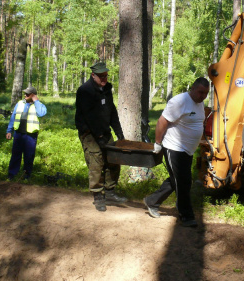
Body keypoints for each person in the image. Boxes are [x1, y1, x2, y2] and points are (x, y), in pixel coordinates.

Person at [143, 77, 210, 227]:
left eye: (206, 93)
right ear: (192, 88)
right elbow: (162, 121)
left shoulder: (200, 103)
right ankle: (186, 215)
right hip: (174, 148)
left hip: (188, 150)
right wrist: (158, 143)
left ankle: (152, 201)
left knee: (177, 179)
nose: (203, 96)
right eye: (200, 92)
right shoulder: (179, 101)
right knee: (184, 182)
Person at [75, 62, 127, 212]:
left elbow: (112, 112)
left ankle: (110, 192)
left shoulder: (106, 89)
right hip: (89, 133)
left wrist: (119, 133)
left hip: (104, 131)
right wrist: (99, 137)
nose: (104, 78)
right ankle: (98, 196)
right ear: (93, 75)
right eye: (101, 76)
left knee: (114, 159)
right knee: (96, 162)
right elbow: (89, 117)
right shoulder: (85, 91)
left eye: (106, 75)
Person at [6, 86, 47, 181]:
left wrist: (36, 101)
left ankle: (27, 175)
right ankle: (11, 174)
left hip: (30, 135)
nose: (25, 95)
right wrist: (9, 130)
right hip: (18, 134)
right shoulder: (19, 103)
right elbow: (13, 117)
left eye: (28, 94)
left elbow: (41, 113)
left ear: (33, 95)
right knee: (15, 154)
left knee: (29, 156)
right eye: (25, 93)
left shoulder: (39, 105)